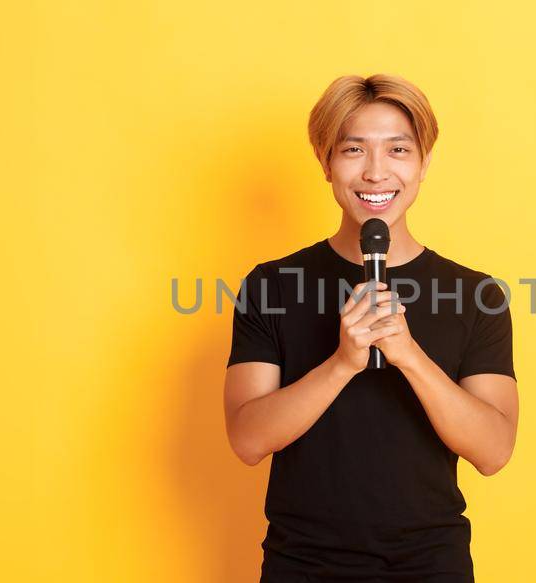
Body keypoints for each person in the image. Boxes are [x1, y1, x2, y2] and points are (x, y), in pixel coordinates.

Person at [223, 74, 520, 582]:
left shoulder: (478, 295)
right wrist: (342, 364)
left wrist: (407, 354)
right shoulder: (271, 285)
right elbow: (247, 440)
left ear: (424, 163)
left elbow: (493, 452)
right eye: (354, 150)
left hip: (431, 563)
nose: (376, 172)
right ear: (326, 163)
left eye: (398, 150)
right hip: (303, 563)